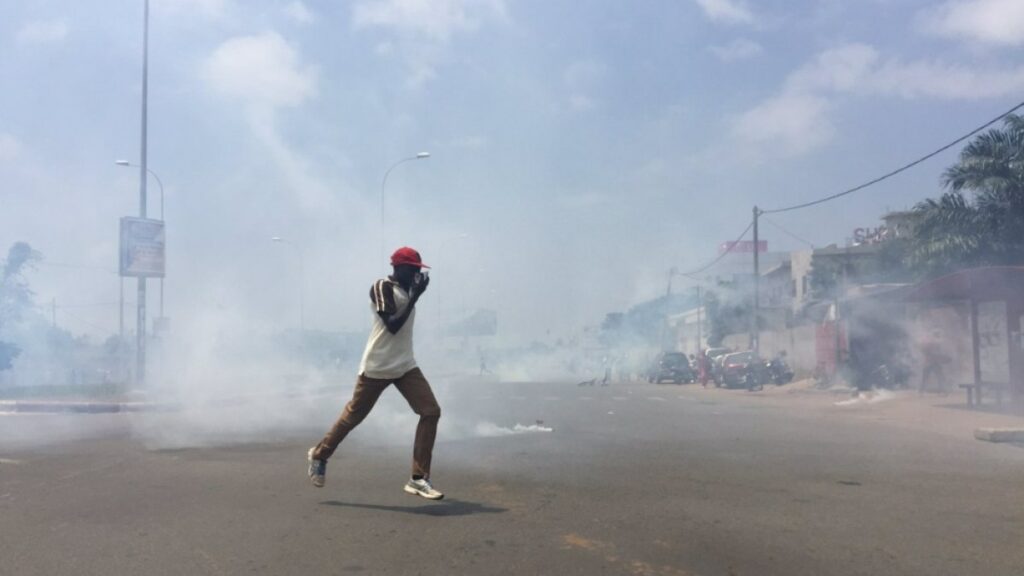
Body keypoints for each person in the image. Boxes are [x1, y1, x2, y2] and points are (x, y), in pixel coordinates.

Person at [307, 247, 443, 500]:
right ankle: (320, 454)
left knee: (431, 411)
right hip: (377, 366)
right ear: (398, 268)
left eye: (419, 271)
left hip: (404, 365)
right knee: (352, 417)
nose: (416, 274)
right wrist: (415, 297)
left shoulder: (407, 290)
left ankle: (419, 478)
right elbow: (391, 325)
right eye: (413, 269)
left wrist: (413, 294)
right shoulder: (382, 287)